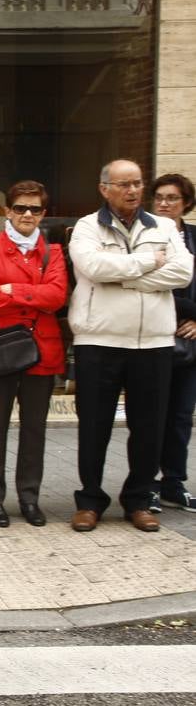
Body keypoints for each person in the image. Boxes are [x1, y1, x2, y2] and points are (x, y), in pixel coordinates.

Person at [68, 159, 193, 533]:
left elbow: (183, 271)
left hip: (153, 341)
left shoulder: (166, 227)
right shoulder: (88, 227)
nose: (133, 191)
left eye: (138, 183)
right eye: (124, 184)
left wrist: (128, 278)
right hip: (99, 338)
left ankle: (139, 499)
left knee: (149, 426)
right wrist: (147, 263)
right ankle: (90, 500)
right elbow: (93, 268)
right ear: (104, 188)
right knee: (94, 425)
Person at [0, 181, 68, 527]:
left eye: (35, 209)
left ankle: (29, 497)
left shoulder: (53, 252)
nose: (28, 214)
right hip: (0, 347)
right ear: (8, 211)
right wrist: (34, 293)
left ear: (43, 213)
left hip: (41, 349)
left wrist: (13, 289)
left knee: (34, 429)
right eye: (21, 208)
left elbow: (57, 296)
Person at [151, 172, 196, 514]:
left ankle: (174, 482)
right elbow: (145, 282)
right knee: (150, 415)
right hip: (152, 337)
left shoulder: (193, 238)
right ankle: (146, 482)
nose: (164, 204)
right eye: (160, 197)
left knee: (181, 415)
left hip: (189, 340)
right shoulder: (145, 238)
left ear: (186, 203)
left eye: (172, 198)